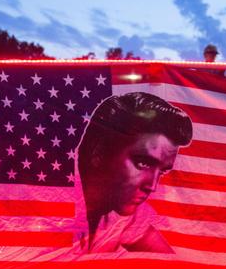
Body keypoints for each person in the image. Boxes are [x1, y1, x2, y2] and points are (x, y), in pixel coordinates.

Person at [76, 92, 193, 253]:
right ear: (99, 152)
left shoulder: (121, 206)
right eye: (143, 163)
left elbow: (169, 262)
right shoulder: (54, 204)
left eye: (162, 172)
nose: (152, 187)